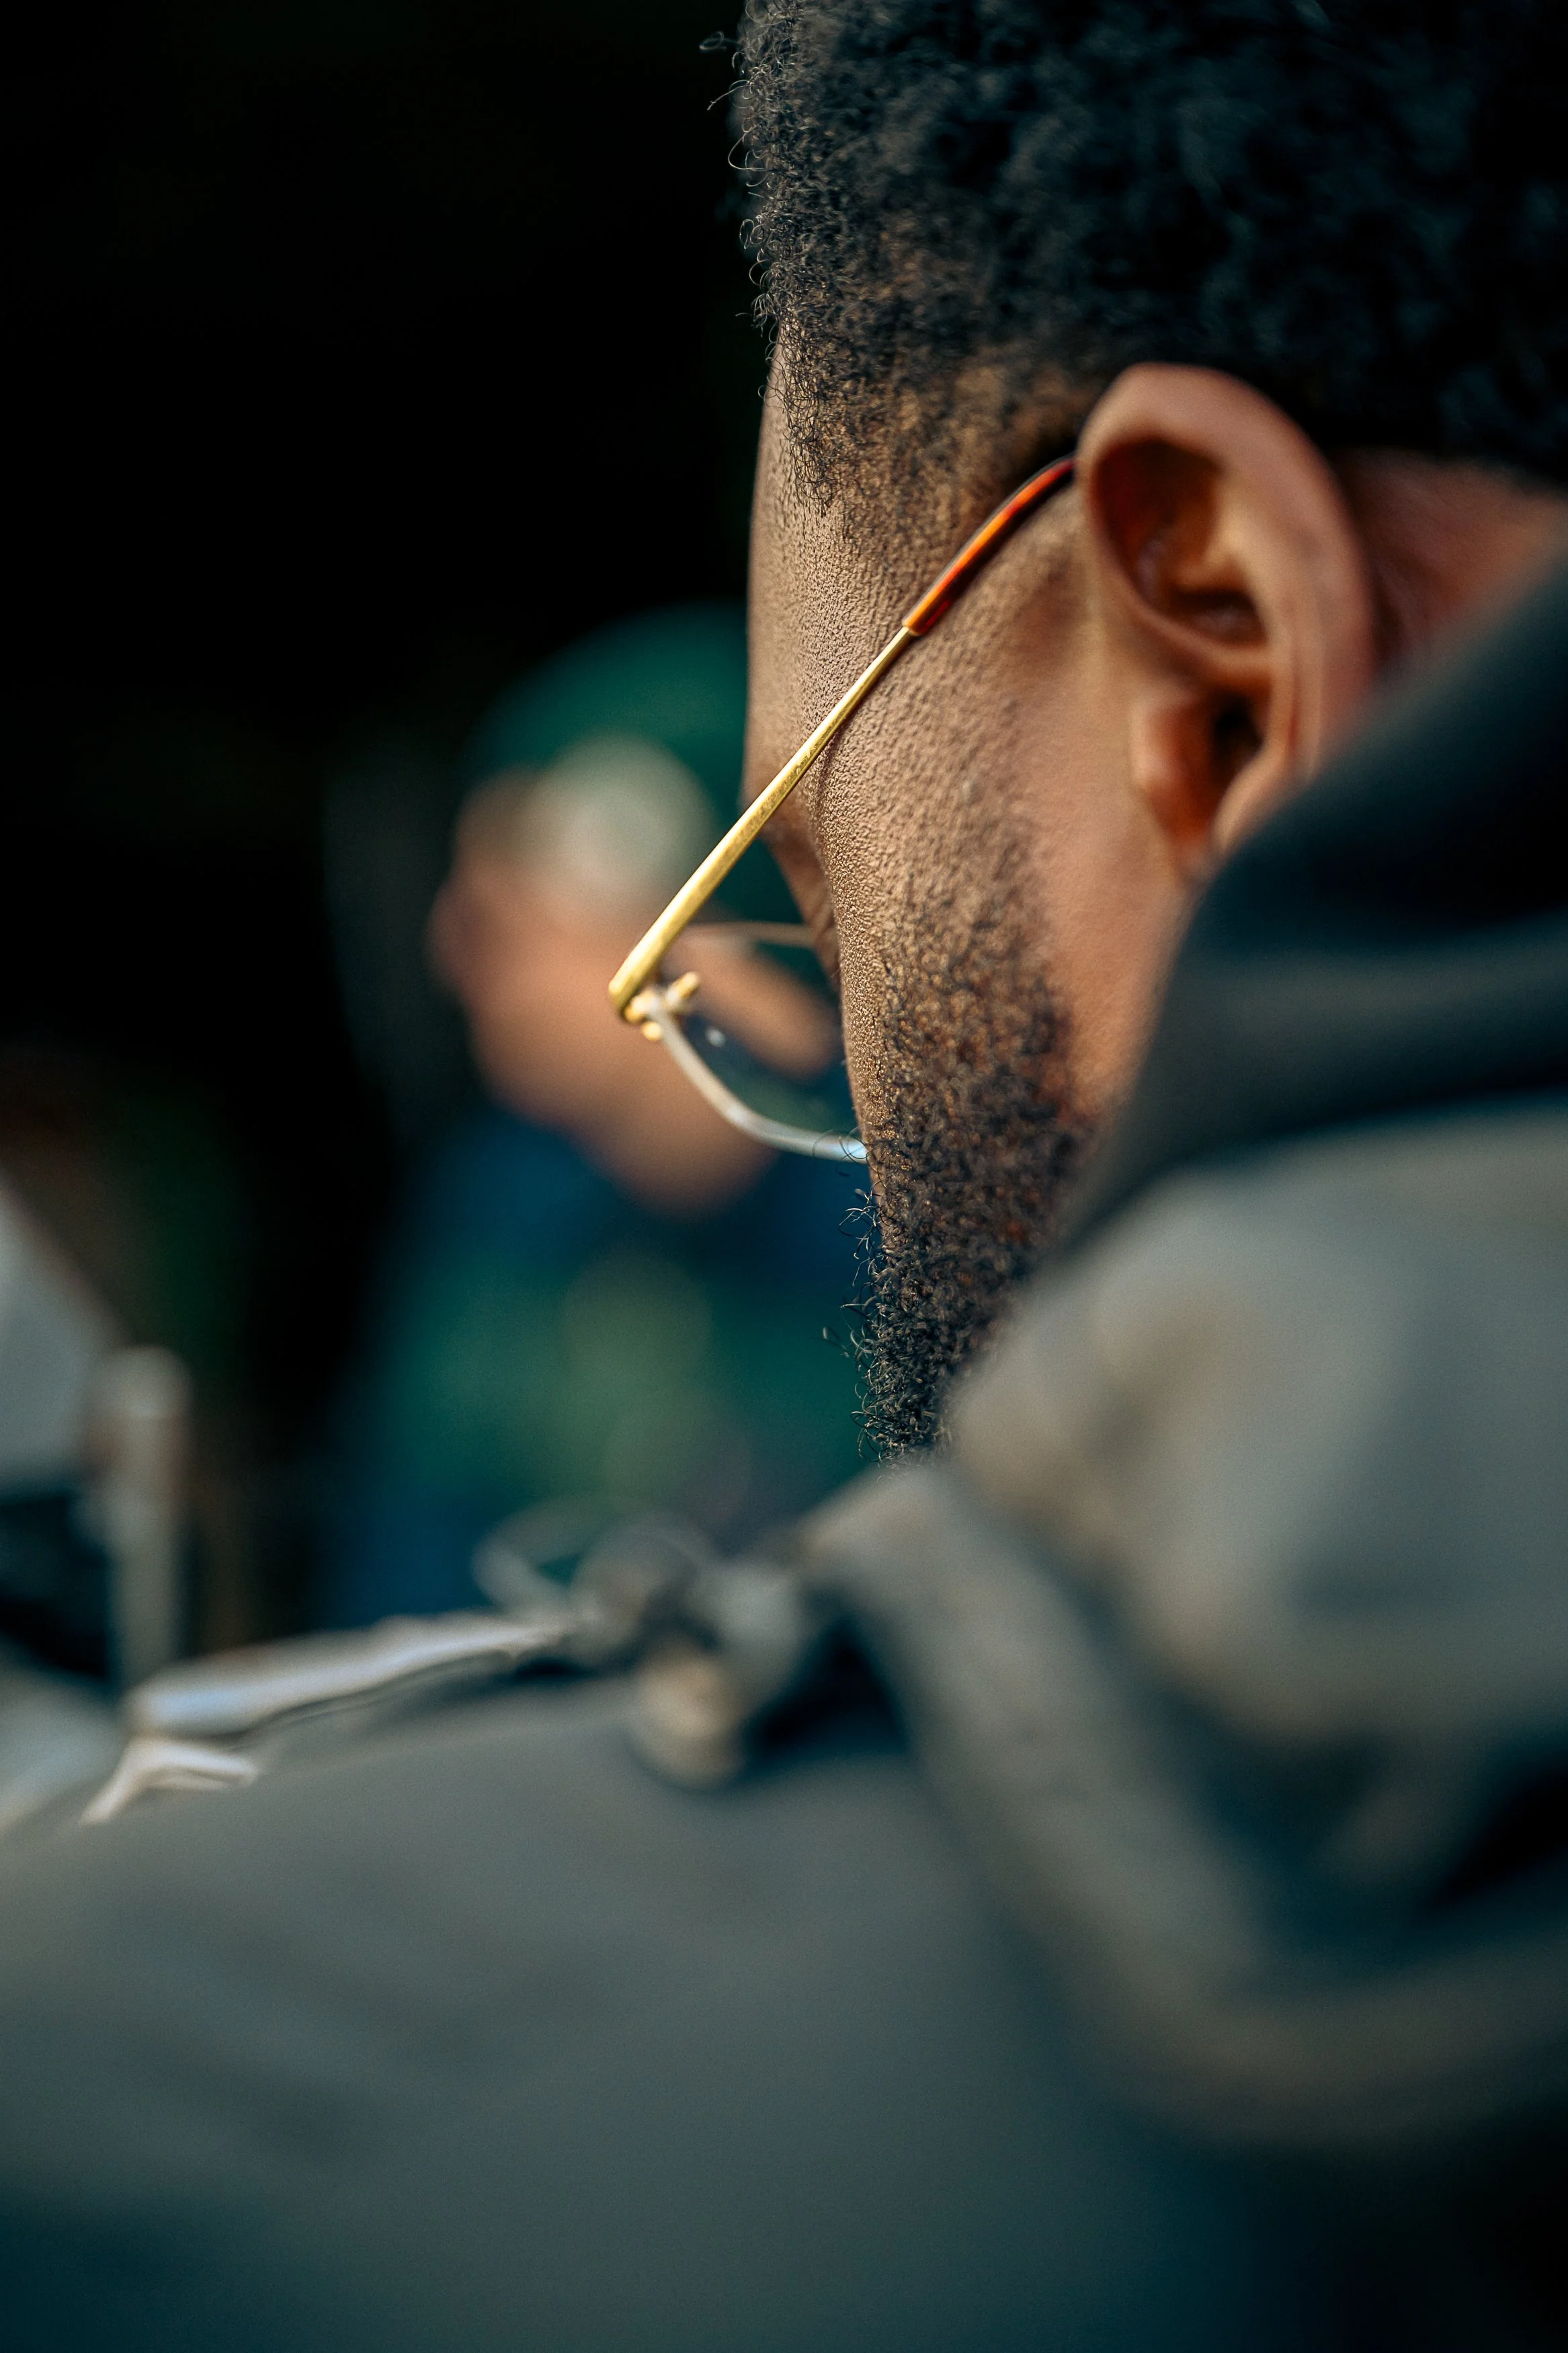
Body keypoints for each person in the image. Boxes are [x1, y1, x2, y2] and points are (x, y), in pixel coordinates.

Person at [4, 5, 1568, 2345]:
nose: (477, 953)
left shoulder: (174, 2164)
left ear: (1223, 670)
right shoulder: (505, 1214)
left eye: (809, 881)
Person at [325, 607, 864, 1623]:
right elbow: (394, 1599)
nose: (452, 948)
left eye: (505, 914)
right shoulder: (497, 1205)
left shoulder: (900, 1209)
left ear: (678, 925)